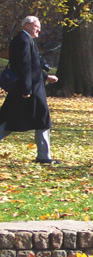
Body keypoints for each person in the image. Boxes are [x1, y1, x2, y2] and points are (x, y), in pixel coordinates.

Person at [0, 16, 59, 164]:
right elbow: (24, 66)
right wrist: (26, 89)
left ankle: (44, 156)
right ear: (27, 26)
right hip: (27, 91)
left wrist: (46, 76)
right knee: (9, 121)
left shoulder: (27, 40)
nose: (39, 30)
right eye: (36, 27)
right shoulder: (23, 40)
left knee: (41, 120)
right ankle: (44, 156)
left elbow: (33, 66)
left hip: (31, 89)